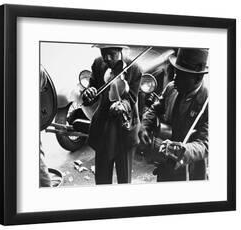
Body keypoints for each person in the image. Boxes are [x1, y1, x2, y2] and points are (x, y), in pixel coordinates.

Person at [139, 48, 209, 181]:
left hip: (189, 171)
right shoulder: (172, 87)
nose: (175, 78)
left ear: (198, 78)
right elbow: (154, 109)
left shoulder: (208, 101)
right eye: (175, 71)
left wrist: (184, 150)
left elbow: (205, 144)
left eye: (181, 75)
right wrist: (144, 125)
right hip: (164, 165)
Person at [82, 44, 142, 184]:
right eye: (103, 53)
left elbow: (132, 98)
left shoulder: (134, 68)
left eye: (111, 53)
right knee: (102, 179)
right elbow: (94, 89)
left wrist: (123, 106)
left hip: (124, 129)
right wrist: (89, 93)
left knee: (124, 179)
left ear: (120, 51)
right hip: (103, 128)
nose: (107, 58)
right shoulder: (98, 63)